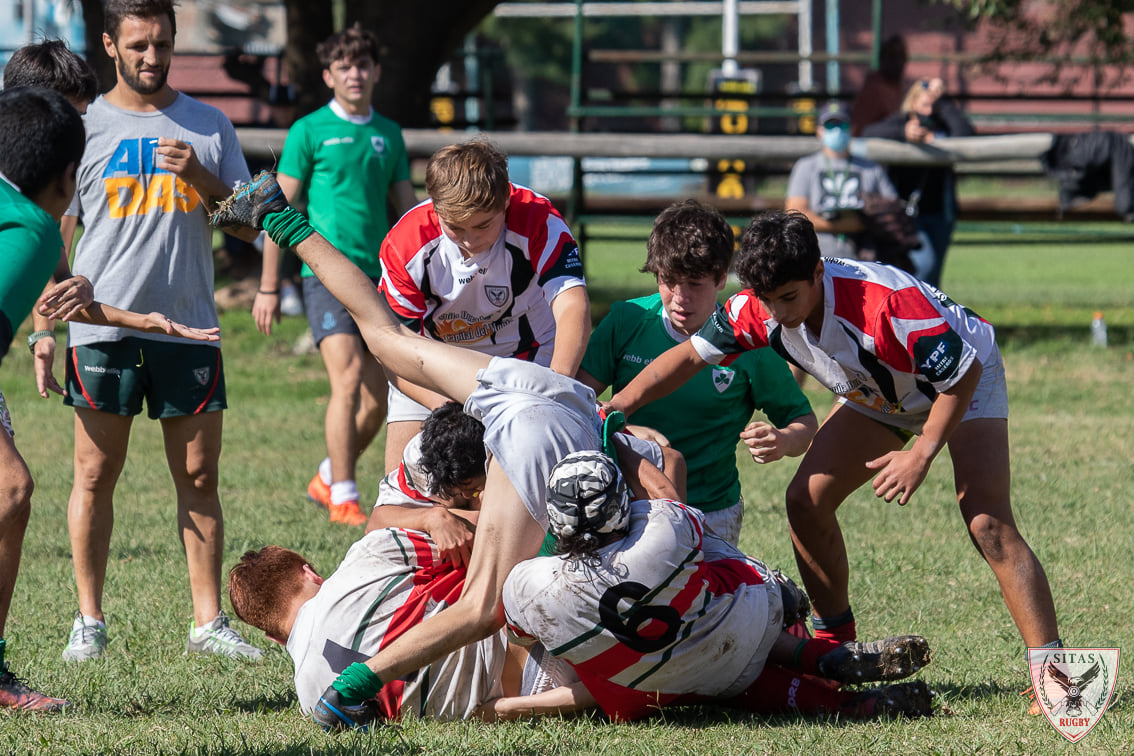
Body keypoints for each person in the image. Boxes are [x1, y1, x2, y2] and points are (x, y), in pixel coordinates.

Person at [209, 170, 667, 730]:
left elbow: (481, 609)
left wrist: (364, 679)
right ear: (308, 572)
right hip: (539, 393)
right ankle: (280, 218)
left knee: (384, 339)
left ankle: (282, 220)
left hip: (528, 410)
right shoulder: (412, 241)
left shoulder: (312, 684)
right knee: (386, 337)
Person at [603, 210, 1063, 695]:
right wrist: (621, 403)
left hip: (961, 378)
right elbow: (690, 356)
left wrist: (923, 451)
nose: (777, 313)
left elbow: (960, 375)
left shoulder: (886, 308)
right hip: (880, 390)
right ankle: (836, 650)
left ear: (819, 273)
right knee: (806, 500)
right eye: (767, 300)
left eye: (788, 298)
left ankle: (1052, 673)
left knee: (986, 522)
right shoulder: (756, 306)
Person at [34, 0, 262, 663]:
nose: (151, 56)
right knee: (94, 474)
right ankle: (89, 621)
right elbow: (55, 231)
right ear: (109, 43)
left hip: (188, 327)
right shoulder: (83, 126)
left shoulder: (209, 123)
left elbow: (247, 222)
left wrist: (199, 176)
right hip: (99, 331)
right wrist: (43, 327)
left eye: (162, 43)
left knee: (198, 475)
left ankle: (208, 622)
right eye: (137, 44)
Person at [0, 86, 221, 712]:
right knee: (11, 488)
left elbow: (70, 298)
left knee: (11, 491)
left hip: (157, 333)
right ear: (71, 177)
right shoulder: (33, 231)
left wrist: (153, 323)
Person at [496, 451, 935, 722]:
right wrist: (624, 447)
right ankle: (822, 655)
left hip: (636, 693)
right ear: (618, 507)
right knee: (716, 571)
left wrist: (507, 700)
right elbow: (666, 489)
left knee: (717, 674)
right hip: (733, 639)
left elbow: (522, 634)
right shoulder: (663, 530)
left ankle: (853, 707)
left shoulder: (527, 585)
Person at [252, 24, 417, 527]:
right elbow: (275, 209)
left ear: (376, 72)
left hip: (380, 277)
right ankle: (344, 494)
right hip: (324, 275)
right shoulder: (309, 131)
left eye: (362, 65)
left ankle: (328, 474)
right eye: (344, 66)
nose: (355, 74)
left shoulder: (388, 133)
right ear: (328, 75)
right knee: (346, 380)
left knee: (383, 394)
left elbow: (408, 210)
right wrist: (268, 286)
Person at [577, 200, 816, 545]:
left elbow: (805, 422)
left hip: (712, 510)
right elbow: (576, 402)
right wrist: (622, 425)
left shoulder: (749, 342)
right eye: (668, 281)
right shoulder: (626, 320)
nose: (679, 297)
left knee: (693, 598)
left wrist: (783, 440)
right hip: (625, 497)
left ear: (722, 278)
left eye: (694, 283)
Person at [378, 140, 590, 474]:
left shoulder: (539, 219)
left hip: (528, 360)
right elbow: (393, 350)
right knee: (402, 483)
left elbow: (573, 308)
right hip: (436, 367)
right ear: (434, 207)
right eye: (455, 227)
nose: (469, 240)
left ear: (506, 199)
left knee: (538, 478)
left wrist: (556, 390)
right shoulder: (404, 244)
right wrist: (450, 410)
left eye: (483, 225)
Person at [227, 535, 517, 722]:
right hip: (518, 627)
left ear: (273, 637)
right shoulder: (366, 556)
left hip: (514, 689)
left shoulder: (310, 701)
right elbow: (471, 538)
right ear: (310, 573)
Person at [863, 78, 975, 287]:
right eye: (925, 104)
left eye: (934, 105)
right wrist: (904, 133)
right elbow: (870, 133)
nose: (929, 111)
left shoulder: (943, 124)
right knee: (924, 268)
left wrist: (945, 101)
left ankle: (933, 315)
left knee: (933, 273)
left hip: (940, 212)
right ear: (912, 103)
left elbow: (966, 134)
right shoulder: (900, 123)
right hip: (906, 213)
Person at [785, 103, 899, 261]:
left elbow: (891, 208)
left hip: (864, 257)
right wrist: (847, 224)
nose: (837, 130)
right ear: (819, 131)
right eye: (830, 125)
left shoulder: (871, 167)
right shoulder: (806, 166)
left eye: (842, 124)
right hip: (816, 257)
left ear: (852, 129)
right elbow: (794, 213)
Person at [850, 35, 908, 137]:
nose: (898, 62)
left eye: (901, 57)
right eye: (892, 56)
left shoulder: (897, 86)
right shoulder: (874, 89)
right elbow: (861, 129)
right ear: (883, 59)